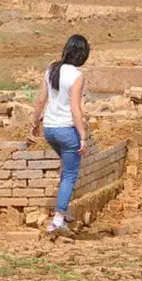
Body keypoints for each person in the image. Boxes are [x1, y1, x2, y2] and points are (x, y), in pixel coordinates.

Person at [28, 34, 90, 235]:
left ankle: (64, 210)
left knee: (66, 166)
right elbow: (75, 108)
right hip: (66, 131)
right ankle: (58, 219)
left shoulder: (51, 69)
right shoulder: (77, 76)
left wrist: (34, 124)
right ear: (82, 55)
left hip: (50, 130)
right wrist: (83, 136)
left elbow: (40, 101)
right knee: (70, 175)